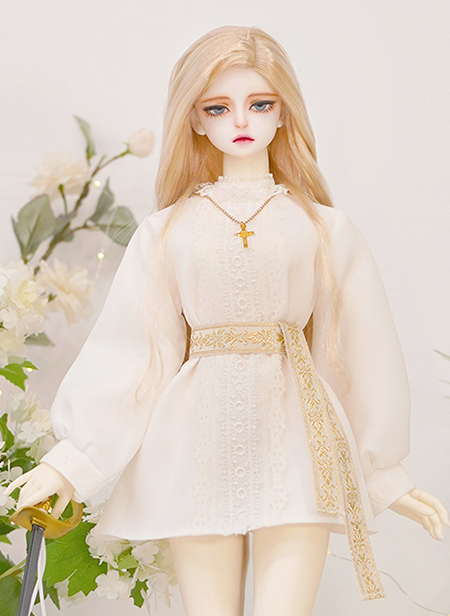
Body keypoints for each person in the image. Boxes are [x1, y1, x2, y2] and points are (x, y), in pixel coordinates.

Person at [5, 25, 449, 616]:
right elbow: (137, 354)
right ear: (194, 118)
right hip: (195, 443)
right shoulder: (165, 233)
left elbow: (356, 353)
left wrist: (385, 472)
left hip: (301, 442)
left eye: (260, 104)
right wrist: (71, 463)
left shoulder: (324, 228)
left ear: (284, 112)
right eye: (218, 107)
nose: (240, 120)